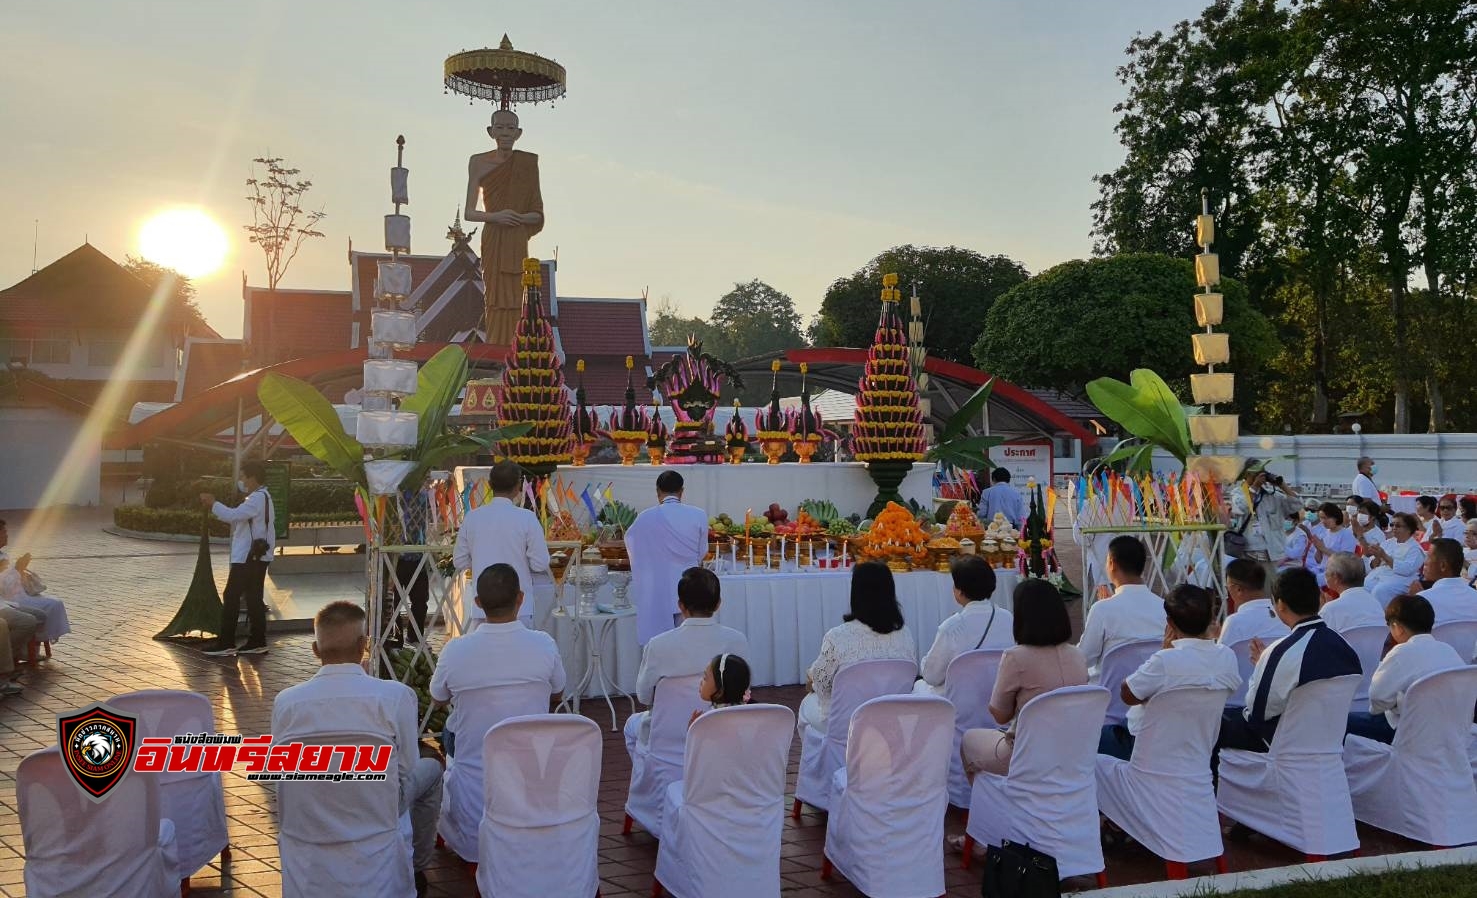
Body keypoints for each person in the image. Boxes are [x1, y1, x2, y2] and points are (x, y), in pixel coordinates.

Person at [271, 601, 443, 897]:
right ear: (365, 646)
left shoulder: (286, 702)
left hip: (309, 821)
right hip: (375, 813)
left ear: (315, 650)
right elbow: (405, 767)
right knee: (432, 768)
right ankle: (417, 866)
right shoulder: (396, 696)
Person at [429, 564, 566, 862]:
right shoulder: (543, 644)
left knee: (449, 731)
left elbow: (437, 698)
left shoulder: (456, 650)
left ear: (477, 602)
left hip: (475, 759)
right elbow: (558, 693)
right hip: (531, 755)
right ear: (520, 598)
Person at [1216, 568, 1361, 754]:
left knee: (1209, 725)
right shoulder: (1345, 645)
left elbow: (1257, 713)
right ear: (1319, 599)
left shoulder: (1280, 651)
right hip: (1329, 741)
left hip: (1281, 743)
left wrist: (1263, 666)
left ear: (1280, 606)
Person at [1097, 584, 1241, 761]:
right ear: (1211, 618)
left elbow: (1128, 694)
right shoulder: (1227, 657)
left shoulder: (1165, 661)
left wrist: (1164, 653)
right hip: (1197, 747)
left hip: (1143, 746)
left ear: (1171, 623)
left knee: (1089, 737)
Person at [960, 579, 1088, 777]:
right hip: (1072, 752)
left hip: (1026, 755)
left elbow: (1000, 715)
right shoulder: (1078, 655)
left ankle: (994, 804)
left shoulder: (1016, 657)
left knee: (968, 741)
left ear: (1021, 617)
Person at [624, 567, 748, 751]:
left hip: (665, 738)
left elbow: (644, 696)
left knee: (631, 725)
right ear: (718, 604)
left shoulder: (658, 645)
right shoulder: (737, 640)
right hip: (721, 732)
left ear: (681, 605)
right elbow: (743, 689)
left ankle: (649, 776)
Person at [799, 561, 916, 730]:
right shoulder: (905, 634)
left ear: (856, 594)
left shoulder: (837, 636)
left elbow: (821, 686)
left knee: (807, 704)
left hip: (845, 725)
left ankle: (824, 755)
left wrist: (812, 682)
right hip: (891, 721)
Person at [464, 108, 544, 347]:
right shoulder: (478, 162)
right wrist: (497, 216)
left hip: (516, 240)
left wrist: (516, 217)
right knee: (494, 298)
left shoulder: (528, 164)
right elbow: (469, 213)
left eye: (511, 128)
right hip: (493, 237)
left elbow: (537, 215)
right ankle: (494, 351)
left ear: (519, 133)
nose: (505, 133)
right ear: (491, 131)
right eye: (500, 127)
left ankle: (513, 351)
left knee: (515, 297)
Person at [1345, 594, 1463, 744]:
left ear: (1397, 628)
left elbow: (1377, 701)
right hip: (1447, 729)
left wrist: (1397, 703)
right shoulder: (1448, 651)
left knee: (1339, 723)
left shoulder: (1401, 653)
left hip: (1405, 731)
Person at [451, 460, 549, 628]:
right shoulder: (527, 518)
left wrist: (481, 560)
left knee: (485, 654)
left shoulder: (473, 517)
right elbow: (540, 563)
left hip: (483, 607)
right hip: (519, 608)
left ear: (490, 484)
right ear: (519, 486)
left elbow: (459, 561)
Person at [624, 471, 709, 646]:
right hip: (689, 586)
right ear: (682, 491)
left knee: (661, 646)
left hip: (657, 588)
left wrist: (652, 562)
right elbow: (702, 552)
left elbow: (631, 542)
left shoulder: (645, 517)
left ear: (658, 492)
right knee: (688, 644)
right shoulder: (699, 514)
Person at [200, 460, 275, 656]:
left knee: (231, 596)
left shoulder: (257, 499)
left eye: (243, 477)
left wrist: (213, 504)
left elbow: (233, 515)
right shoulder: (264, 496)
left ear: (251, 477)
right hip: (259, 556)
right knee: (253, 598)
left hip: (248, 558)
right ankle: (257, 641)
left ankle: (226, 642)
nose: (241, 481)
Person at [915, 555, 1014, 695]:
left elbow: (931, 676)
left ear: (960, 591)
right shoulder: (1007, 618)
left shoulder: (951, 627)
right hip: (998, 700)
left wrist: (925, 662)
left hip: (959, 705)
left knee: (919, 686)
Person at [1077, 536, 1166, 677]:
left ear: (1112, 563)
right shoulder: (1163, 608)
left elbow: (1083, 659)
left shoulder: (1102, 610)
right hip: (1153, 692)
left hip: (1111, 694)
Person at [1228, 463, 1303, 584]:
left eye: (1262, 473)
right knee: (1251, 587)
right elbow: (1241, 507)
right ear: (1246, 475)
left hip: (1271, 552)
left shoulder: (1272, 495)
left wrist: (1282, 485)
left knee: (1268, 587)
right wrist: (1254, 487)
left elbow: (1296, 505)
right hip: (1250, 551)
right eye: (1255, 473)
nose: (1260, 476)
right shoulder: (1238, 493)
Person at [0, 519, 69, 644]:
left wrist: (20, 569)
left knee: (56, 603)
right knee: (48, 608)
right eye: (3, 532)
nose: (6, 535)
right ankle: (24, 647)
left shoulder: (3, 555)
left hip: (19, 594)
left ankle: (34, 643)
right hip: (9, 599)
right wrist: (17, 569)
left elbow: (11, 577)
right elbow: (4, 586)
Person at [1219, 559, 1292, 651]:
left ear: (1238, 590)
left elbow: (1221, 657)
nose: (1228, 592)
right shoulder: (1285, 616)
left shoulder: (1234, 622)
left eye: (1227, 588)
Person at [1362, 512, 1427, 605]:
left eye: (1398, 525)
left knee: (1380, 590)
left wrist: (1384, 556)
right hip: (1382, 575)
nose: (1394, 528)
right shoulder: (1387, 543)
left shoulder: (1415, 549)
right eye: (1392, 525)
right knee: (1367, 583)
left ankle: (1382, 617)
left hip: (1403, 579)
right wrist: (1377, 557)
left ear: (1409, 529)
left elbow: (1407, 570)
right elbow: (1373, 564)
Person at [1417, 538, 1477, 625]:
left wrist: (1414, 602)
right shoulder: (1475, 597)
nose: (1424, 562)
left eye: (1428, 557)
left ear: (1443, 566)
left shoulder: (1422, 599)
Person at [1319, 552, 1386, 629]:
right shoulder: (1376, 604)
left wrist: (1323, 610)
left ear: (1335, 577)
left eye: (1326, 569)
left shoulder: (1329, 610)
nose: (1325, 573)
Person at [689, 652, 752, 727]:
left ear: (720, 691)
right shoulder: (749, 712)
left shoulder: (712, 721)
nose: (701, 682)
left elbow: (699, 738)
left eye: (705, 678)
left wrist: (693, 728)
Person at [1301, 503, 1357, 584]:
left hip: (1336, 573)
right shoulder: (1324, 533)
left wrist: (1323, 548)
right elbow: (1319, 560)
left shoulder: (1346, 534)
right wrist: (1318, 548)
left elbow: (1345, 560)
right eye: (1321, 518)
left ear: (1335, 517)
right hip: (1321, 569)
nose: (1323, 521)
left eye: (1325, 518)